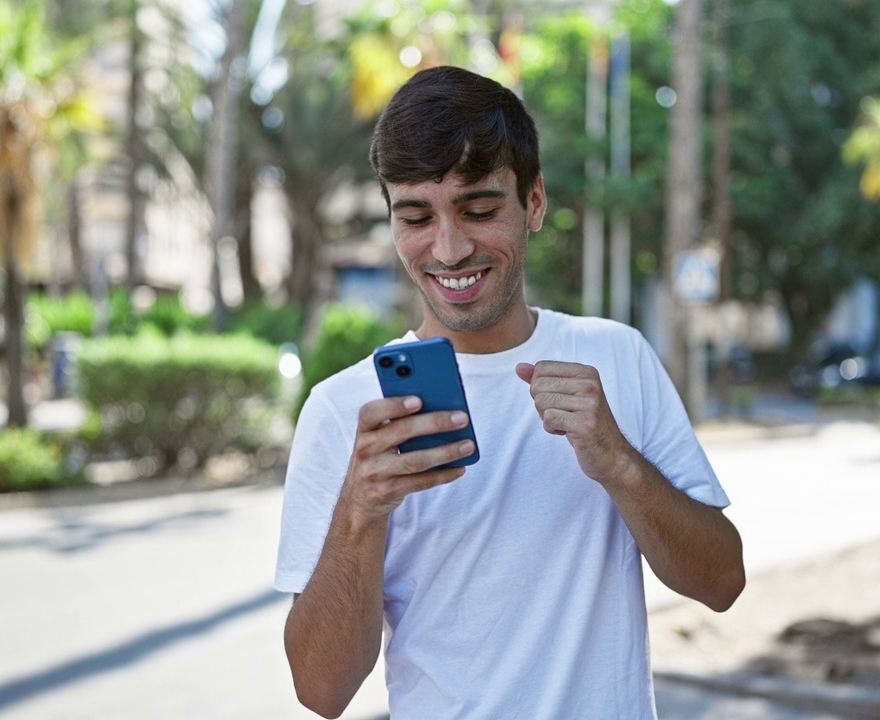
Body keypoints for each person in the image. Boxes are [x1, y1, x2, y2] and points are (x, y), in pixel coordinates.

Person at [274, 65, 745, 719]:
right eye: (416, 216)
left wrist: (618, 464)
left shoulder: (617, 357)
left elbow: (722, 582)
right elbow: (321, 693)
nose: (448, 247)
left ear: (535, 203)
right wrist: (361, 512)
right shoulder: (342, 410)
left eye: (479, 209)